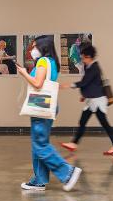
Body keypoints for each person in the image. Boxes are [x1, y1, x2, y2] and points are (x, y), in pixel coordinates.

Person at [16, 36, 82, 191]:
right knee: (38, 143)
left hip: (41, 104)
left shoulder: (42, 61)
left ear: (42, 47)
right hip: (49, 103)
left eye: (34, 47)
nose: (32, 50)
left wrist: (24, 73)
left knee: (40, 144)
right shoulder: (51, 62)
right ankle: (39, 180)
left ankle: (68, 173)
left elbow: (38, 84)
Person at [60, 45, 113, 155]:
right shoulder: (89, 67)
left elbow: (84, 82)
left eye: (83, 58)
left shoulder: (94, 68)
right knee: (82, 122)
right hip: (91, 101)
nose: (82, 60)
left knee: (104, 123)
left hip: (97, 101)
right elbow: (91, 84)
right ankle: (73, 143)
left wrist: (68, 85)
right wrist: (84, 95)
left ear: (89, 57)